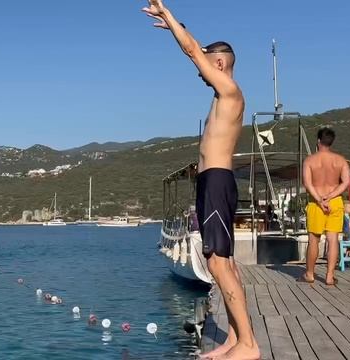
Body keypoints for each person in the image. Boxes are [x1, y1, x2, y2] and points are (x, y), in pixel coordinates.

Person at [142, 1, 259, 359]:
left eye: (209, 61)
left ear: (220, 63)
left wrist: (170, 18)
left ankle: (249, 345)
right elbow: (195, 49)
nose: (200, 68)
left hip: (218, 182)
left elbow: (192, 50)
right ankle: (235, 340)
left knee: (217, 263)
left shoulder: (229, 90)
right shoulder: (221, 96)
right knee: (222, 261)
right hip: (212, 182)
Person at [301, 128, 350, 285]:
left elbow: (308, 184)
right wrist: (330, 196)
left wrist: (320, 200)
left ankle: (310, 274)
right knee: (333, 239)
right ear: (331, 142)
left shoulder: (309, 161)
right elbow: (346, 182)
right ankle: (329, 276)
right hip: (334, 201)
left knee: (313, 240)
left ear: (318, 141)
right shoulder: (340, 160)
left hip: (316, 203)